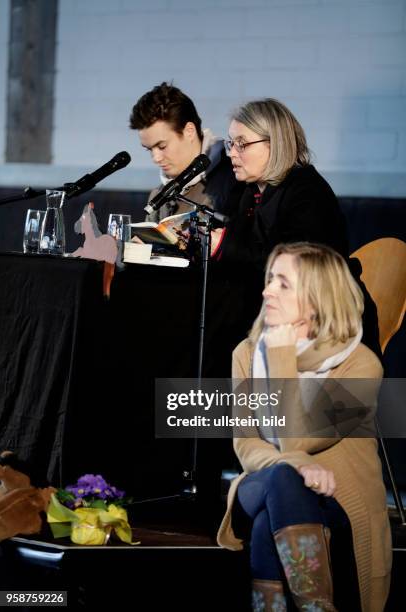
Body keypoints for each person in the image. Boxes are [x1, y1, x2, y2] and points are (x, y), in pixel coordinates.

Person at [217, 242, 391, 612]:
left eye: (282, 283)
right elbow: (246, 444)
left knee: (268, 522)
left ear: (315, 298)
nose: (266, 291)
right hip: (267, 480)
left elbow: (296, 435)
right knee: (283, 478)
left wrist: (280, 356)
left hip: (339, 495)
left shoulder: (360, 365)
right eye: (269, 280)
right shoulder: (246, 353)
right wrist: (293, 464)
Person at [211, 98, 380, 357]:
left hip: (325, 323)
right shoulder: (251, 191)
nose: (232, 152)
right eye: (231, 143)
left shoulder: (308, 193)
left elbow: (291, 266)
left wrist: (223, 244)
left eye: (242, 144)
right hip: (280, 316)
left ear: (275, 144)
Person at [129, 82, 241, 222]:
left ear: (189, 131)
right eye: (149, 149)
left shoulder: (235, 179)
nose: (156, 158)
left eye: (162, 146)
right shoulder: (157, 196)